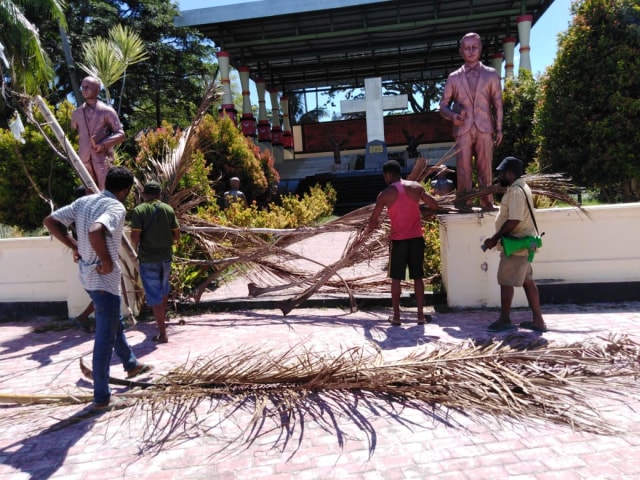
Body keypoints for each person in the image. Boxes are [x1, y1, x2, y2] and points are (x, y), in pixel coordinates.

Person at [43, 166, 152, 412]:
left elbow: (50, 221)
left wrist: (75, 246)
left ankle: (131, 364)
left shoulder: (85, 201)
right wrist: (106, 260)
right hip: (103, 280)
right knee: (104, 337)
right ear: (125, 190)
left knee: (114, 322)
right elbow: (95, 231)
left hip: (87, 276)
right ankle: (102, 396)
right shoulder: (115, 207)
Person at [365, 160, 440, 325]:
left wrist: (363, 238)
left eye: (384, 175)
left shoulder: (385, 194)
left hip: (398, 241)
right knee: (418, 277)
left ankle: (397, 317)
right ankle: (420, 316)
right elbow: (435, 204)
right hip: (416, 240)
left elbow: (373, 221)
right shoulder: (416, 187)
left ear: (389, 174)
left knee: (396, 279)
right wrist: (425, 213)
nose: (384, 178)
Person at [482, 156, 547, 333]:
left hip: (515, 244)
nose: (500, 176)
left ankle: (505, 319)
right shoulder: (522, 187)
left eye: (502, 173)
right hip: (524, 243)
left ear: (510, 173)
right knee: (528, 282)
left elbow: (514, 220)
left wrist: (494, 238)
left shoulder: (516, 191)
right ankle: (538, 321)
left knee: (505, 281)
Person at [439, 32, 503, 210]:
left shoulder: (491, 74)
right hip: (463, 129)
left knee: (485, 166)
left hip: (485, 127)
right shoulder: (454, 77)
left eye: (474, 47)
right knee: (463, 168)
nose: (471, 51)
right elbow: (442, 106)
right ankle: (464, 201)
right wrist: (453, 116)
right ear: (461, 51)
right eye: (467, 48)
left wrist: (499, 128)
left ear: (480, 48)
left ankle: (487, 201)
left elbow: (498, 103)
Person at [130, 181, 180, 344]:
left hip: (148, 258)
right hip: (165, 257)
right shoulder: (168, 209)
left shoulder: (139, 211)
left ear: (144, 194)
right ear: (159, 194)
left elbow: (135, 238)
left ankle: (162, 333)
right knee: (163, 290)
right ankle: (162, 322)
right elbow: (176, 236)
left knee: (154, 295)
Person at [71, 76, 126, 191]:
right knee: (89, 192)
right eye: (82, 87)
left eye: (88, 87)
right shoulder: (77, 113)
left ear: (97, 89)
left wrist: (103, 144)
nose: (84, 90)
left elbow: (121, 134)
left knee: (105, 191)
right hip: (84, 159)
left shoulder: (107, 111)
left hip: (102, 159)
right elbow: (75, 134)